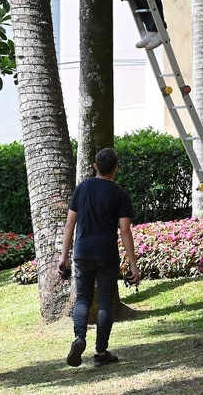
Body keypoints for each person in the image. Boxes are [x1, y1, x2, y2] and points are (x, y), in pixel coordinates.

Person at [58, 147, 141, 368]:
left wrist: (63, 257)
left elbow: (70, 224)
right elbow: (124, 231)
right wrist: (133, 265)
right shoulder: (121, 194)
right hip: (107, 253)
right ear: (116, 168)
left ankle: (79, 338)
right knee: (105, 301)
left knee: (83, 298)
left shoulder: (81, 189)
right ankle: (101, 352)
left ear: (95, 166)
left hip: (82, 252)